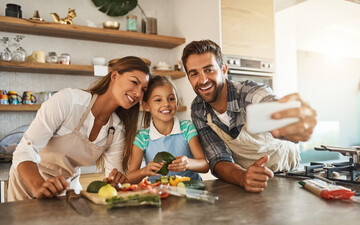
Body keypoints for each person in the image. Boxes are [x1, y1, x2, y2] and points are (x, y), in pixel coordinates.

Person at [181, 40, 317, 192]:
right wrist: (243, 177)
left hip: (287, 177)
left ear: (224, 70)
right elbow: (218, 159)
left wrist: (291, 121)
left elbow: (266, 102)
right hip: (246, 181)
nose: (203, 80)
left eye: (209, 70)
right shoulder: (198, 109)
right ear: (189, 79)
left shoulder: (248, 94)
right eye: (194, 74)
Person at [8, 56, 151, 201]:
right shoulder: (69, 101)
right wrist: (39, 186)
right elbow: (25, 150)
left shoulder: (116, 129)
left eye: (143, 90)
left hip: (66, 189)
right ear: (114, 75)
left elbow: (113, 177)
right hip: (29, 183)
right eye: (134, 82)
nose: (138, 93)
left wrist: (115, 182)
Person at [127, 75, 209, 183]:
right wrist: (144, 171)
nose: (166, 104)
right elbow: (130, 178)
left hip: (191, 192)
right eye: (158, 100)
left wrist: (187, 163)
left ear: (177, 102)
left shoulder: (187, 128)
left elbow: (204, 165)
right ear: (146, 106)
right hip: (159, 194)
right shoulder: (142, 137)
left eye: (171, 99)